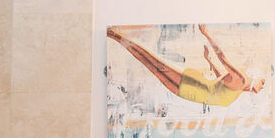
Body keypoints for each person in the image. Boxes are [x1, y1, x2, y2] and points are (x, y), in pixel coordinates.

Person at [108, 24, 266, 107]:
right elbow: (222, 69)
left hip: (189, 90)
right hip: (189, 90)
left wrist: (207, 36)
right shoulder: (240, 81)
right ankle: (114, 35)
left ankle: (114, 35)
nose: (263, 85)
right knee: (151, 63)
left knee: (151, 63)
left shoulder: (239, 84)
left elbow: (222, 68)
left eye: (263, 82)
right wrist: (209, 58)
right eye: (263, 81)